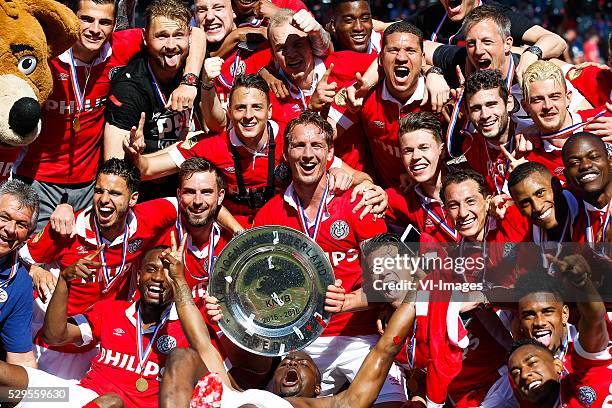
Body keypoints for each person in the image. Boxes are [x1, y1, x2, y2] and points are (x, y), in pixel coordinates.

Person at [251, 111, 406, 404]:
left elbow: (395, 284)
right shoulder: (269, 216)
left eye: (317, 146)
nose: (308, 155)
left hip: (359, 335)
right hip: (298, 344)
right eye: (299, 146)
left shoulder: (359, 201)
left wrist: (351, 301)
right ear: (285, 153)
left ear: (331, 152)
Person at [158, 235, 418, 407]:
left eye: (303, 363)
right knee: (182, 357)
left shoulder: (335, 404)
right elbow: (200, 341)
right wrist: (180, 280)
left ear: (319, 388)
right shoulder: (234, 394)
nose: (293, 360)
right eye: (288, 362)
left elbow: (384, 350)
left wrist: (418, 288)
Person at [12, 0, 203, 233]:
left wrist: (190, 81)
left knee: (82, 261)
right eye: (86, 19)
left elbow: (197, 34)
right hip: (36, 179)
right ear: (71, 18)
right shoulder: (46, 52)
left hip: (89, 184)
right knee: (32, 258)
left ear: (114, 24)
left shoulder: (119, 45)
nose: (95, 29)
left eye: (105, 22)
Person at [126, 74, 384, 228]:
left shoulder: (292, 141)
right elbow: (146, 170)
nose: (248, 116)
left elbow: (361, 178)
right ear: (229, 111)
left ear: (269, 111)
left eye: (256, 108)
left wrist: (365, 186)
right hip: (233, 235)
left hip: (286, 230)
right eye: (240, 108)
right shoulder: (211, 145)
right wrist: (135, 154)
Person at [0, 246, 229, 408]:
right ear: (138, 276)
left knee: (112, 401)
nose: (158, 278)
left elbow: (217, 377)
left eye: (168, 272)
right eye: (151, 269)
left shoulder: (188, 328)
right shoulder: (111, 311)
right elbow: (54, 336)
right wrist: (64, 282)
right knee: (8, 386)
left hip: (116, 405)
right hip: (81, 398)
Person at [19, 159, 179, 380]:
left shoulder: (147, 218)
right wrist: (36, 270)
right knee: (49, 399)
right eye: (99, 191)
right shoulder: (68, 228)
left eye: (114, 193)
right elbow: (19, 257)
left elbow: (190, 202)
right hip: (56, 343)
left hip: (103, 343)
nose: (104, 200)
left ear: (133, 199)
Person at [328, 21, 432, 189]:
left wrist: (435, 73)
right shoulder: (361, 94)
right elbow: (322, 137)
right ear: (381, 59)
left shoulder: (439, 96)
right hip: (383, 197)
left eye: (411, 51)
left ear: (423, 58)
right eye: (393, 50)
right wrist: (345, 172)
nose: (401, 58)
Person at [103, 0, 204, 167]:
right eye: (162, 36)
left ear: (189, 36)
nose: (171, 46)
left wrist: (189, 82)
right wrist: (135, 157)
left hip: (191, 185)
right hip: (145, 188)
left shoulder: (197, 65)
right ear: (145, 38)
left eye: (178, 35)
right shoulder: (128, 88)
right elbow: (114, 167)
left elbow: (218, 130)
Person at [521, 61, 611, 182]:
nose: (547, 106)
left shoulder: (605, 120)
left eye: (554, 97)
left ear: (568, 97)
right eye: (538, 100)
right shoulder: (525, 155)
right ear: (525, 107)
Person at [385, 112, 459, 243]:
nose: (415, 156)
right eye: (408, 151)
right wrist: (366, 184)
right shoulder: (399, 199)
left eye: (424, 148)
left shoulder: (474, 179)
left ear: (441, 151)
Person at [462, 69, 525, 195]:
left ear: (509, 104)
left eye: (491, 105)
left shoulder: (531, 140)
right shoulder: (471, 147)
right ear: (467, 114)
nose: (485, 115)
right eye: (476, 108)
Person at [0, 180, 39, 368]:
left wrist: (40, 394)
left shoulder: (19, 281)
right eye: (4, 217)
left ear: (29, 234)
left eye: (21, 224)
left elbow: (21, 358)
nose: (10, 229)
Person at [508, 338, 611, 408]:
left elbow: (593, 318)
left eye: (532, 363)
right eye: (516, 373)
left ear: (557, 366)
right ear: (520, 394)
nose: (524, 375)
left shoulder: (586, 379)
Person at [562, 133, 612, 247]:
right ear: (566, 176)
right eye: (574, 163)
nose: (585, 166)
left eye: (594, 157)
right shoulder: (572, 221)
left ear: (610, 161)